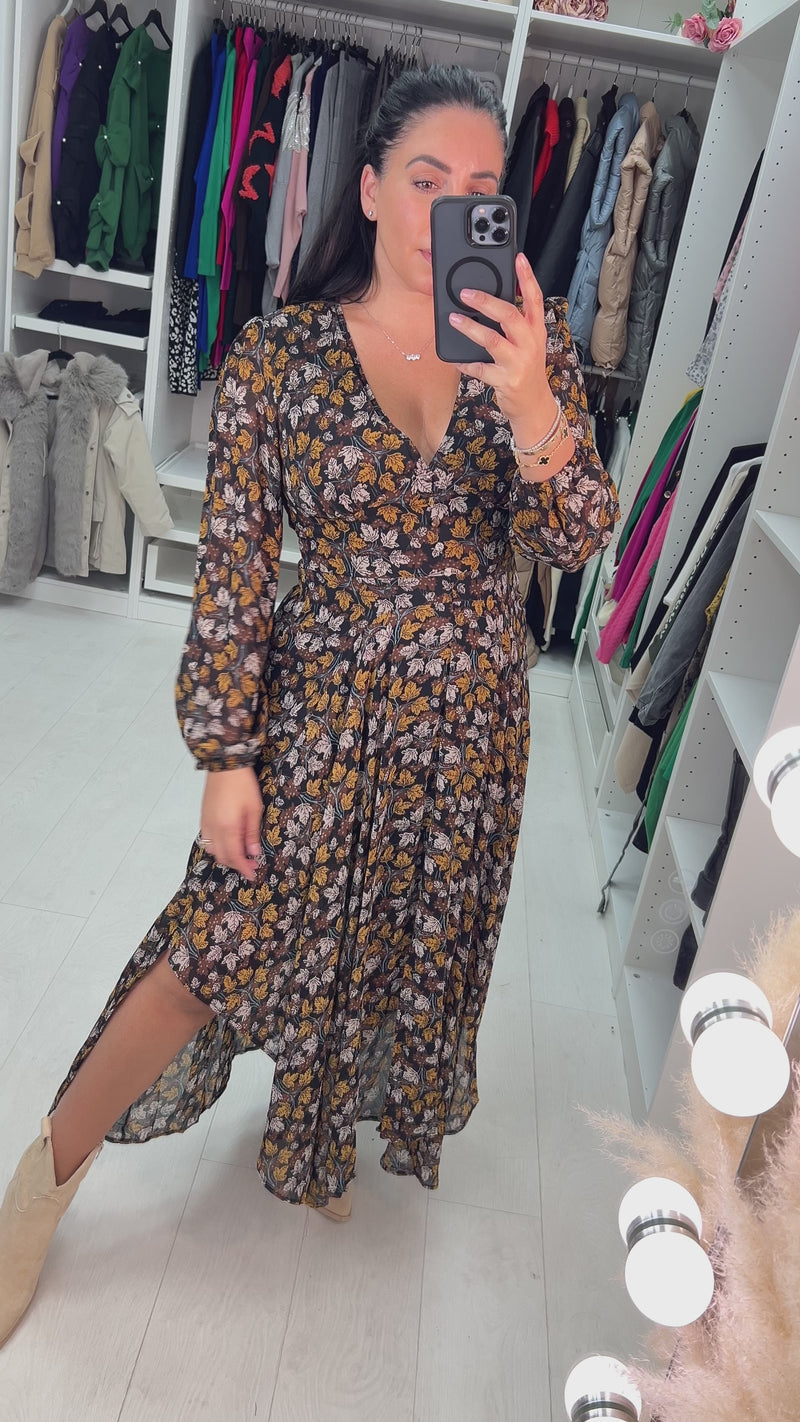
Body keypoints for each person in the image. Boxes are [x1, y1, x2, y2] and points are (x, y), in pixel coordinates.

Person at [0, 64, 618, 1347]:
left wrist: (532, 403)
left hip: (468, 730)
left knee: (393, 947)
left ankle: (320, 1131)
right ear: (370, 187)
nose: (451, 208)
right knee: (208, 954)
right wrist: (226, 753)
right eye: (426, 179)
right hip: (318, 716)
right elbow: (231, 570)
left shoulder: (532, 344)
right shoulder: (279, 356)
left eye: (482, 189)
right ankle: (40, 1183)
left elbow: (574, 539)